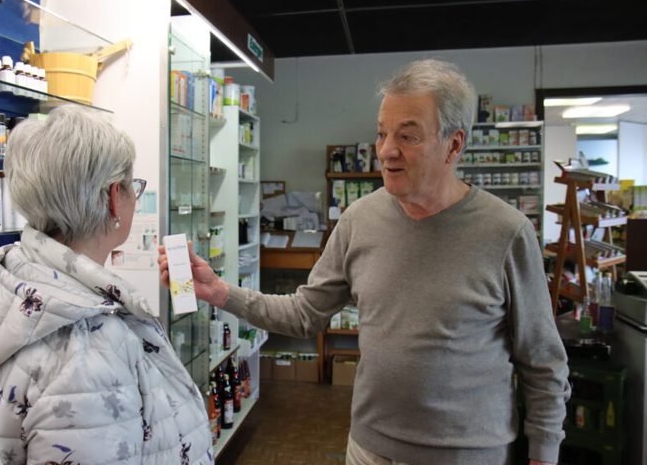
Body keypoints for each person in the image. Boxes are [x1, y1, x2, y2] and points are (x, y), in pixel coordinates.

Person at [159, 59, 570, 465]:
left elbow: (543, 361)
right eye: (381, 134)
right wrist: (220, 292)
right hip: (368, 449)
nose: (387, 151)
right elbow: (306, 314)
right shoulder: (359, 219)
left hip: (466, 455)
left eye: (408, 136)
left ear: (454, 144)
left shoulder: (506, 232)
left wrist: (543, 454)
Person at [0, 105, 212, 464]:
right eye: (131, 187)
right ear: (112, 199)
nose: (134, 198)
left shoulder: (6, 285)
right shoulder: (89, 349)